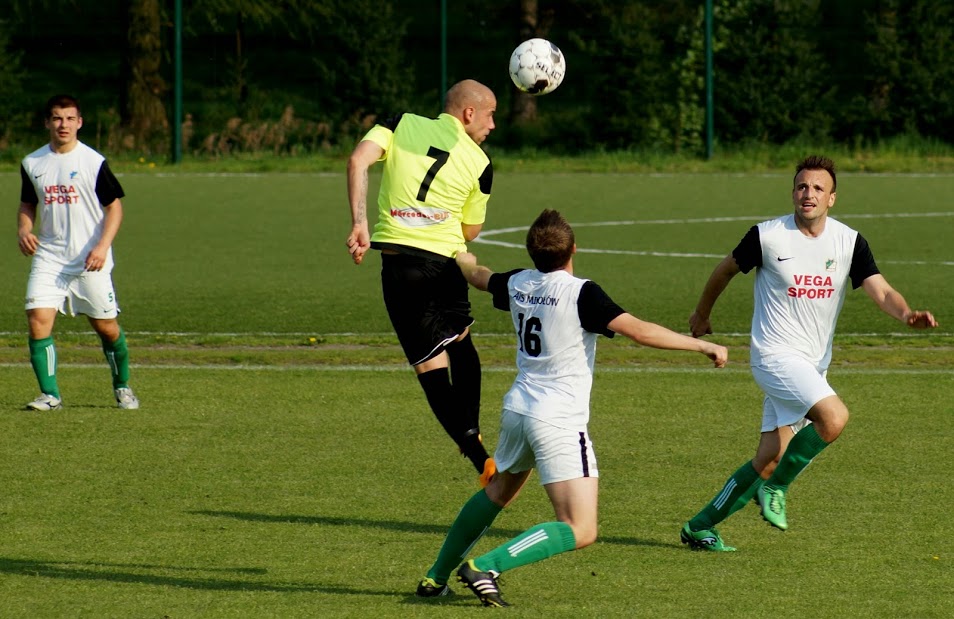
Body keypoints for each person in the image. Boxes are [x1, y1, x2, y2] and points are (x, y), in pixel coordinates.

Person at [416, 209, 728, 607]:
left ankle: (435, 576)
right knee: (580, 528)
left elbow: (478, 276)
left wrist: (457, 252)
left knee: (498, 490)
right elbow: (639, 330)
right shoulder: (581, 292)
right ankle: (485, 566)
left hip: (518, 410)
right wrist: (702, 345)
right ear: (573, 249)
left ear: (531, 251)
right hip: (557, 420)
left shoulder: (517, 282)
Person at [680, 155, 938, 552]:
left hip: (811, 366)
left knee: (768, 457)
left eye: (818, 188)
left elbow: (881, 289)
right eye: (802, 186)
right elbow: (724, 270)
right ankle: (777, 489)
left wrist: (906, 314)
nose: (809, 194)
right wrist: (702, 313)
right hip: (774, 357)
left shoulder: (849, 241)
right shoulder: (768, 236)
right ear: (793, 192)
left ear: (832, 198)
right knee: (834, 418)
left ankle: (700, 526)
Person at [345, 80, 497, 486]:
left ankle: (479, 455)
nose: (493, 124)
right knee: (461, 339)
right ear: (468, 113)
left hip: (402, 266)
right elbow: (471, 229)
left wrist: (361, 223)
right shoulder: (481, 163)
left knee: (431, 365)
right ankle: (473, 430)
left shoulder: (401, 123)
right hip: (446, 264)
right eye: (490, 114)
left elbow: (358, 160)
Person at [17, 94, 139, 411]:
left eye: (70, 118)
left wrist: (102, 247)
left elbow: (115, 208)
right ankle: (50, 395)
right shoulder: (33, 163)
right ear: (47, 122)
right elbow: (28, 203)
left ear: (80, 123)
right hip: (50, 258)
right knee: (37, 319)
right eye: (57, 118)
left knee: (107, 329)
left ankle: (122, 386)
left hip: (89, 261)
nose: (63, 124)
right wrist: (24, 229)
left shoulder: (93, 162)